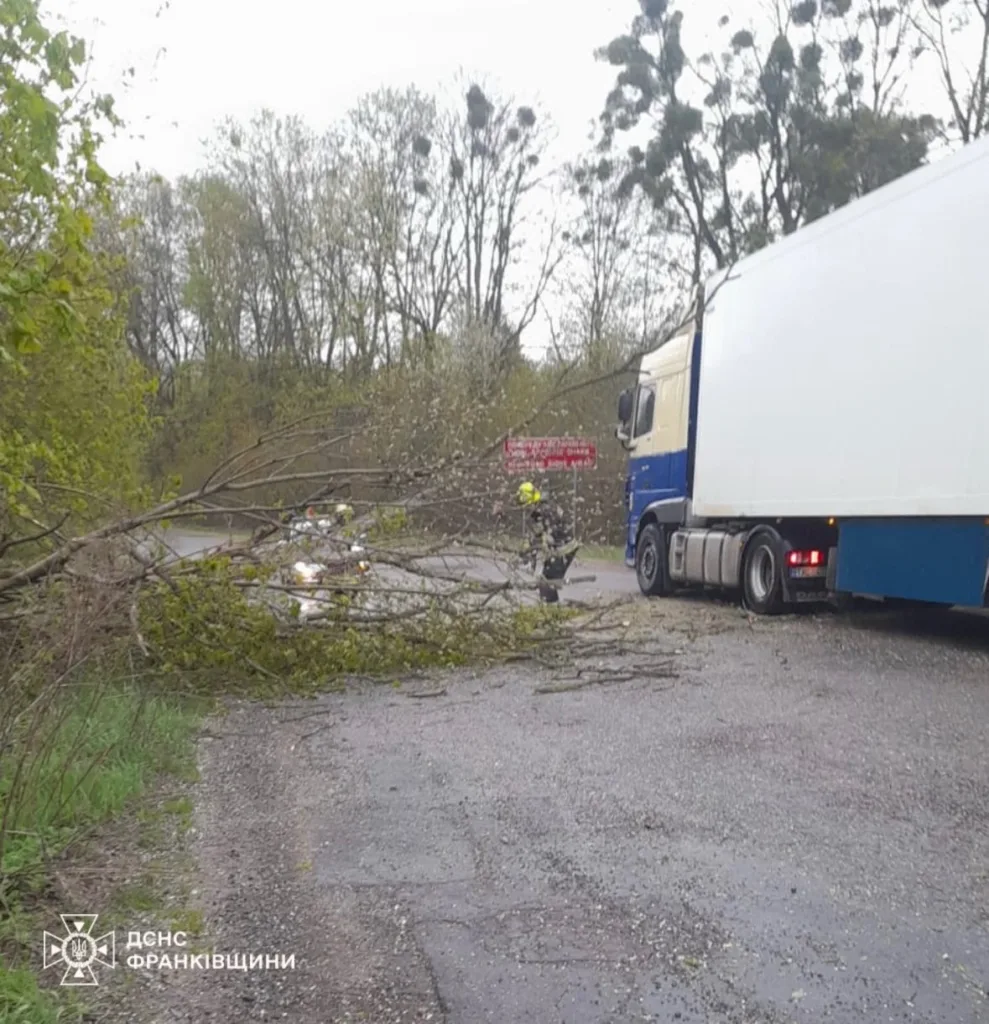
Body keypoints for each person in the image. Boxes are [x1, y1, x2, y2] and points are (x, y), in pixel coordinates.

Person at [515, 482, 579, 602]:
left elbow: (541, 537)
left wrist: (529, 555)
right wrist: (528, 554)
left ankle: (551, 609)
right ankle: (551, 606)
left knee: (547, 581)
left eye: (526, 506)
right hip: (560, 548)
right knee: (546, 580)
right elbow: (536, 536)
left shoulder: (543, 511)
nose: (526, 509)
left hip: (564, 549)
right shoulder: (543, 506)